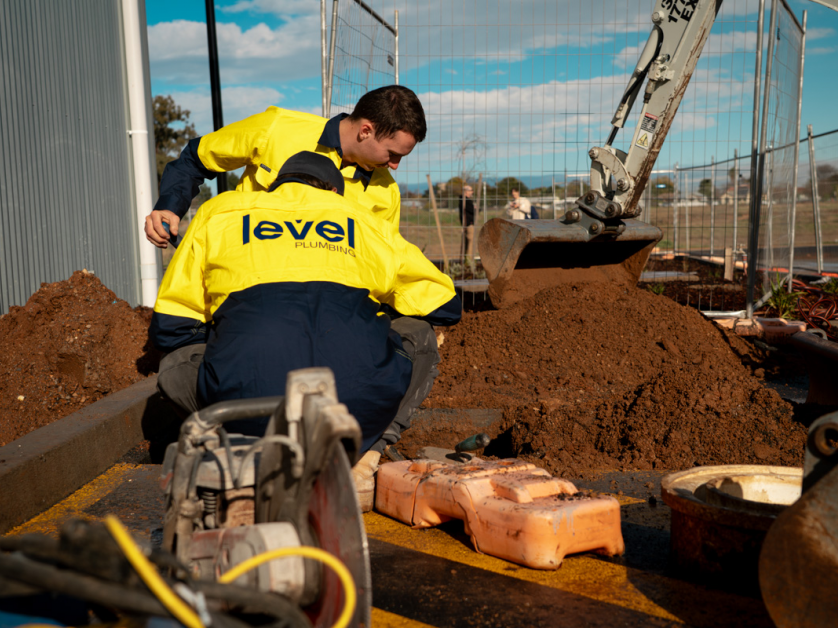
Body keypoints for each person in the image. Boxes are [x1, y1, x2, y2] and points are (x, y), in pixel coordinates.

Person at [149, 152, 461, 511]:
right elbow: (446, 305)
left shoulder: (220, 212)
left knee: (174, 365)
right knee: (419, 334)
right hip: (352, 417)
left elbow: (170, 329)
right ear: (333, 190)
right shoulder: (364, 220)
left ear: (276, 185)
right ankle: (362, 463)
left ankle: (241, 460)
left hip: (248, 409)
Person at [146, 85, 426, 248]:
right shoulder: (276, 128)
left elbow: (381, 260)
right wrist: (170, 206)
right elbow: (195, 159)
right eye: (392, 153)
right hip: (239, 277)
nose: (395, 165)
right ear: (366, 130)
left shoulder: (386, 193)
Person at [458, 184, 476, 260]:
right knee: (470, 243)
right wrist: (476, 208)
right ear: (466, 192)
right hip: (469, 224)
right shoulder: (466, 201)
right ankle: (469, 260)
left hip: (465, 224)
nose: (472, 192)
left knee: (466, 243)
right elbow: (473, 210)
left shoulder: (461, 200)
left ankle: (466, 259)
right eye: (471, 190)